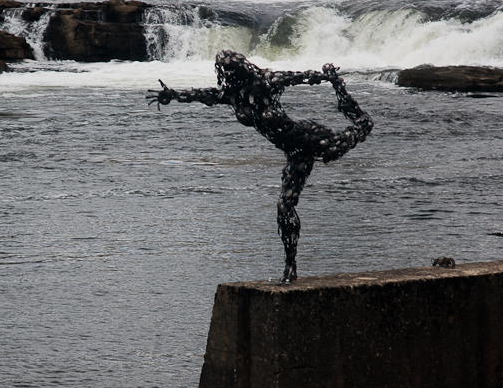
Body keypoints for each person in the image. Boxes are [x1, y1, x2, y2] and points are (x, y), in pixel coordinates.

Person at [148, 50, 373, 283]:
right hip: (295, 154)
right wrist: (173, 95)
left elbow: (302, 77)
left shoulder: (267, 82)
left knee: (357, 129)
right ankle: (290, 268)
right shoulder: (231, 95)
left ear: (243, 68)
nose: (228, 75)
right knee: (284, 206)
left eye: (232, 70)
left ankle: (360, 115)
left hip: (313, 138)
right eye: (224, 71)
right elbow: (204, 95)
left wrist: (328, 78)